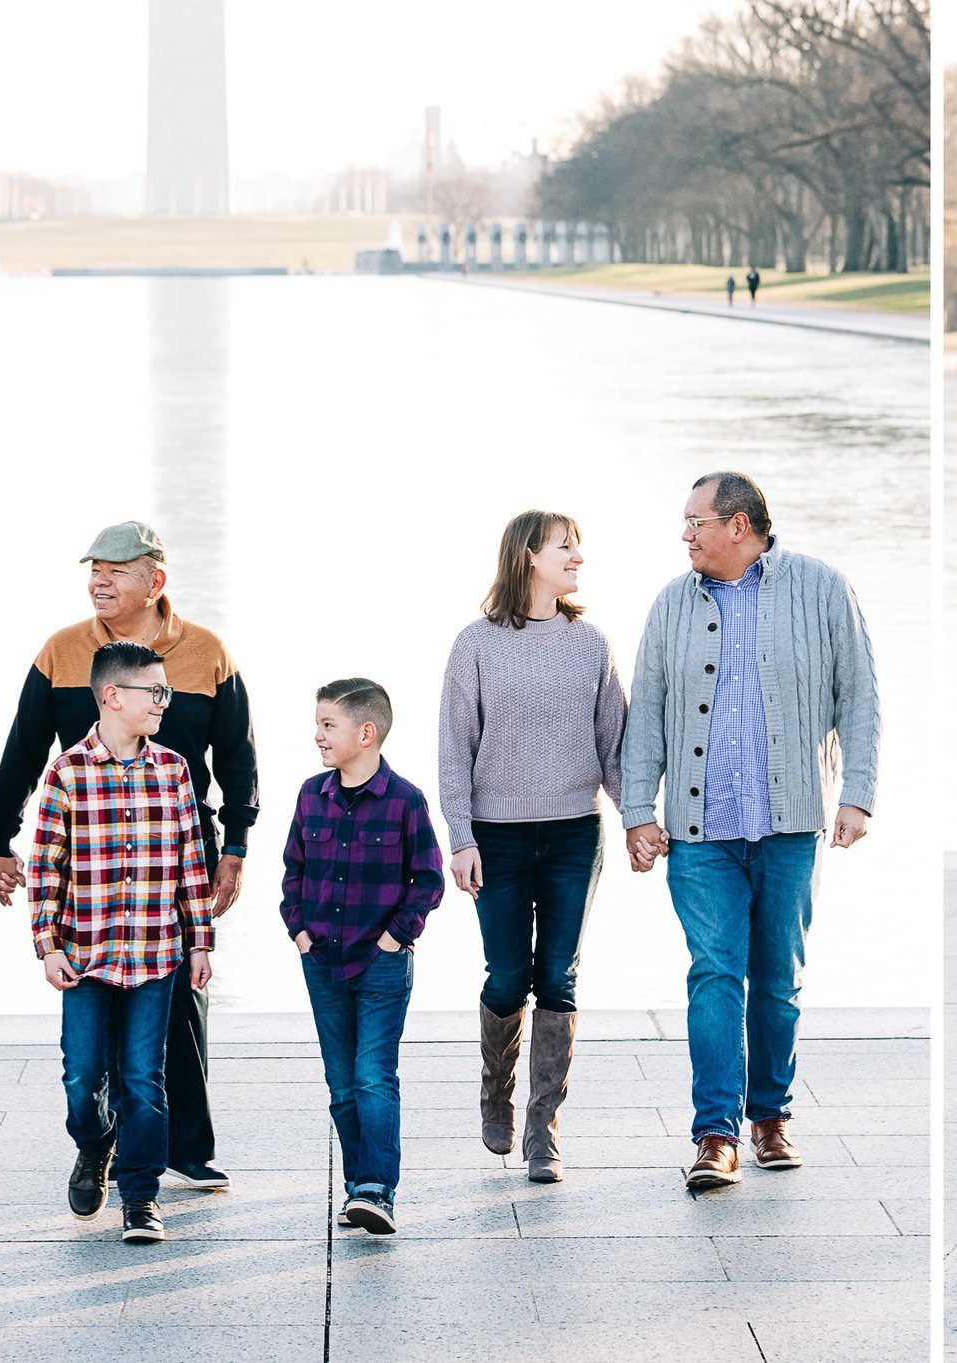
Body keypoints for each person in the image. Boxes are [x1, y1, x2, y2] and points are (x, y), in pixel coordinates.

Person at [620, 471, 879, 1192]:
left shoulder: (823, 588)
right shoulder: (671, 603)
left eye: (696, 520)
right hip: (700, 834)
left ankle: (771, 1118)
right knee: (712, 975)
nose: (685, 534)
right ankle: (715, 1134)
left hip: (790, 824)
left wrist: (858, 793)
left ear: (739, 526)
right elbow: (646, 714)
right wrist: (638, 809)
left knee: (777, 982)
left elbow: (859, 693)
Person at [0, 521, 257, 1189]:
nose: (99, 580)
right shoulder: (62, 651)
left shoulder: (208, 652)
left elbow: (239, 757)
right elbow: (24, 750)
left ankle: (186, 1145)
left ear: (154, 580)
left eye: (116, 569)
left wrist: (237, 845)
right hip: (90, 855)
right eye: (94, 567)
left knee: (183, 1001)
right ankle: (100, 1128)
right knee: (95, 1005)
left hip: (183, 844)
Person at [438, 510, 625, 1180]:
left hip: (576, 830)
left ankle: (543, 1128)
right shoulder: (476, 643)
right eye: (566, 546)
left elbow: (615, 745)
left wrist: (638, 819)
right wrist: (460, 837)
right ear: (528, 556)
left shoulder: (591, 642)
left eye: (579, 545)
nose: (578, 557)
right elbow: (454, 751)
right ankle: (497, 1091)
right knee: (509, 974)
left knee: (559, 976)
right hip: (497, 837)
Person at [28, 641, 215, 1245]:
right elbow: (46, 866)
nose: (165, 701)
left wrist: (200, 943)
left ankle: (140, 1197)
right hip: (85, 954)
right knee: (82, 1078)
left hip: (155, 953)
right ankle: (93, 1142)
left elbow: (191, 860)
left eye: (166, 691)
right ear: (112, 696)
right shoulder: (67, 771)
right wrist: (47, 943)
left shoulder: (174, 770)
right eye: (154, 692)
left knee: (143, 1078)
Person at [286, 679, 445, 1235]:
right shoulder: (312, 794)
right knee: (341, 1083)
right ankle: (360, 1188)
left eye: (329, 725)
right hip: (321, 959)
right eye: (319, 724)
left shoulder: (406, 800)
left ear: (366, 732)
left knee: (374, 1074)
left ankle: (378, 1189)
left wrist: (394, 938)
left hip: (380, 965)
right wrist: (299, 932)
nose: (319, 735)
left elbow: (427, 880)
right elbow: (294, 871)